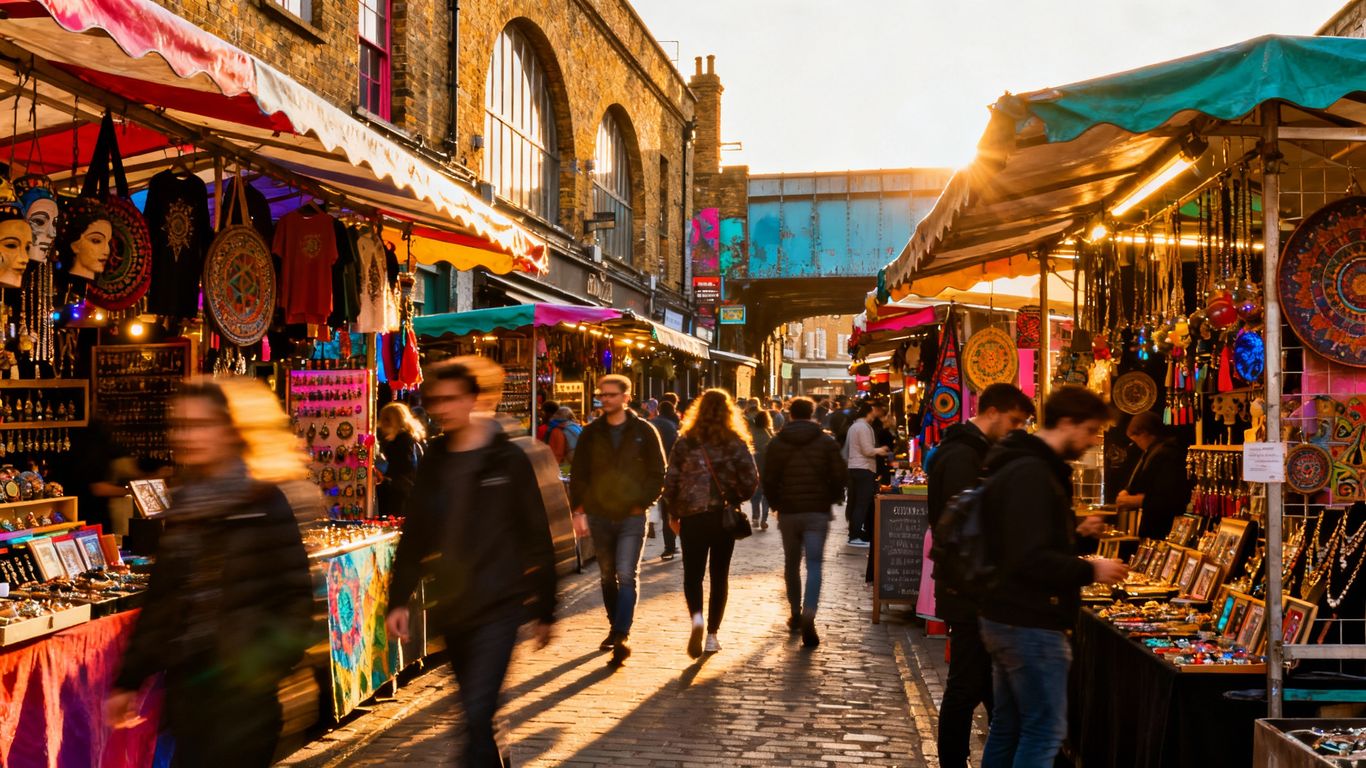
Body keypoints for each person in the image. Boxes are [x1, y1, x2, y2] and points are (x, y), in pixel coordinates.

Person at [106, 378, 317, 768]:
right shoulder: (186, 504)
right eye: (181, 425)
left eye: (201, 425)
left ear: (230, 429)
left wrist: (262, 668)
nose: (187, 436)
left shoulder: (264, 502)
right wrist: (129, 678)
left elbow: (295, 597)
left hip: (246, 697)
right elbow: (164, 600)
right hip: (191, 694)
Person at [385, 358, 557, 767]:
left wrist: (544, 608)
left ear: (473, 399)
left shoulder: (508, 460)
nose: (442, 408)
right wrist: (398, 599)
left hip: (499, 605)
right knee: (478, 713)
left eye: (451, 399)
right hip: (453, 607)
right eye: (435, 400)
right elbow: (417, 534)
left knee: (476, 713)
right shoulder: (435, 460)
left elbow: (536, 534)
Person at [979, 386, 1128, 768]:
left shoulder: (1024, 465)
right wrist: (1091, 569)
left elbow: (1026, 541)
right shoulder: (1032, 472)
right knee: (1043, 732)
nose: (1093, 441)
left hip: (1007, 613)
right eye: (1091, 430)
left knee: (1009, 725)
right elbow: (1029, 558)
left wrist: (1075, 536)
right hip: (1030, 620)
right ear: (1066, 423)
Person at [925, 383, 1035, 768]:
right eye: (1014, 421)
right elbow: (964, 530)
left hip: (972, 586)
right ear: (992, 412)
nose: (1016, 429)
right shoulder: (962, 457)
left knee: (989, 684)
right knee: (966, 685)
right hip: (966, 588)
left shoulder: (971, 452)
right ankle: (953, 762)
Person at [570, 374, 667, 665]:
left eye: (611, 394)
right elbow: (579, 473)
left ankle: (622, 634)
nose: (605, 399)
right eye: (602, 394)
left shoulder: (644, 431)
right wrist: (579, 509)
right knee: (606, 575)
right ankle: (615, 626)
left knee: (626, 573)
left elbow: (658, 472)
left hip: (632, 516)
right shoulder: (591, 433)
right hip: (600, 513)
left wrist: (642, 503)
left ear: (626, 397)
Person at [660, 389, 758, 658]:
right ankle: (713, 635)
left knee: (692, 575)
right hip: (722, 516)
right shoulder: (735, 441)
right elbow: (751, 478)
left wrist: (672, 513)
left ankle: (697, 620)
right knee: (719, 575)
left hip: (692, 517)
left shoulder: (686, 441)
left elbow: (671, 480)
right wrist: (736, 498)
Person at [764, 396, 846, 647]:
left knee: (791, 564)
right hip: (816, 512)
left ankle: (795, 612)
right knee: (814, 564)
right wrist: (831, 497)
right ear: (812, 414)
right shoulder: (826, 442)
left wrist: (776, 504)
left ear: (790, 414)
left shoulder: (777, 443)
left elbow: (768, 478)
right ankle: (810, 611)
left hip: (789, 512)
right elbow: (840, 475)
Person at [1115, 410, 1191, 540]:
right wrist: (1128, 491)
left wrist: (1135, 500)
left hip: (1163, 527)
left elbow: (1169, 498)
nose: (1136, 445)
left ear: (1144, 433)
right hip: (1153, 523)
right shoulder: (1154, 451)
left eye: (1136, 440)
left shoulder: (1167, 454)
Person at [843, 399, 888, 546]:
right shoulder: (862, 427)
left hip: (856, 468)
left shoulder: (856, 426)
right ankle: (855, 536)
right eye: (874, 410)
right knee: (862, 503)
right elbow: (867, 450)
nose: (875, 413)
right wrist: (881, 450)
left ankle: (855, 533)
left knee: (857, 502)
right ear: (869, 411)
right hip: (863, 468)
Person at [376, 401, 426, 518]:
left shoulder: (401, 440)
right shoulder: (409, 438)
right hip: (407, 490)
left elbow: (402, 466)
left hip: (400, 492)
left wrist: (386, 477)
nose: (382, 423)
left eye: (385, 419)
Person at [649, 402, 682, 560]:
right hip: (672, 472)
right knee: (671, 510)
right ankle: (672, 545)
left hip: (654, 472)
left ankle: (668, 546)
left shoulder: (651, 424)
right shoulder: (672, 426)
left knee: (663, 510)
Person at [750, 409, 775, 530]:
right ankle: (763, 519)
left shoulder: (751, 433)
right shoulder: (769, 434)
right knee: (765, 496)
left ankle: (755, 517)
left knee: (755, 495)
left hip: (755, 468)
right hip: (767, 469)